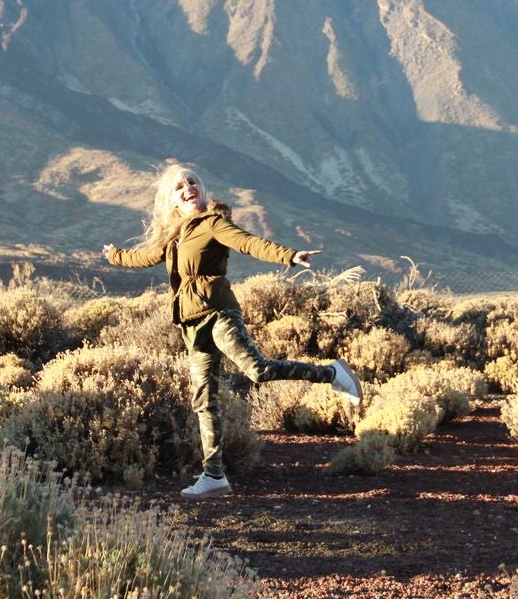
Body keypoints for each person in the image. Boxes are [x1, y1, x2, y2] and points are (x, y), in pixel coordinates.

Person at [102, 163, 362, 499]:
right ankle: (213, 476)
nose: (187, 188)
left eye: (192, 181)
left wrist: (289, 256)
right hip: (192, 325)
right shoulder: (174, 235)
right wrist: (114, 256)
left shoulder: (213, 223)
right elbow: (144, 257)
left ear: (202, 187)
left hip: (218, 314)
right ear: (172, 200)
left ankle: (332, 373)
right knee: (203, 400)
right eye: (179, 187)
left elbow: (248, 243)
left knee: (257, 369)